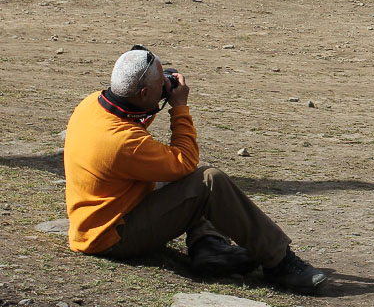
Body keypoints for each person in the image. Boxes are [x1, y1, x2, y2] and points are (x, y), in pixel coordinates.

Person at [63, 45, 328, 292]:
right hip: (111, 236)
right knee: (207, 181)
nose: (166, 85)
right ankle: (279, 262)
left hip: (97, 221)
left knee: (177, 175)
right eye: (161, 84)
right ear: (143, 93)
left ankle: (210, 247)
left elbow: (135, 117)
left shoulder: (93, 104)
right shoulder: (122, 142)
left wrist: (160, 92)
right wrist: (179, 107)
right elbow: (185, 161)